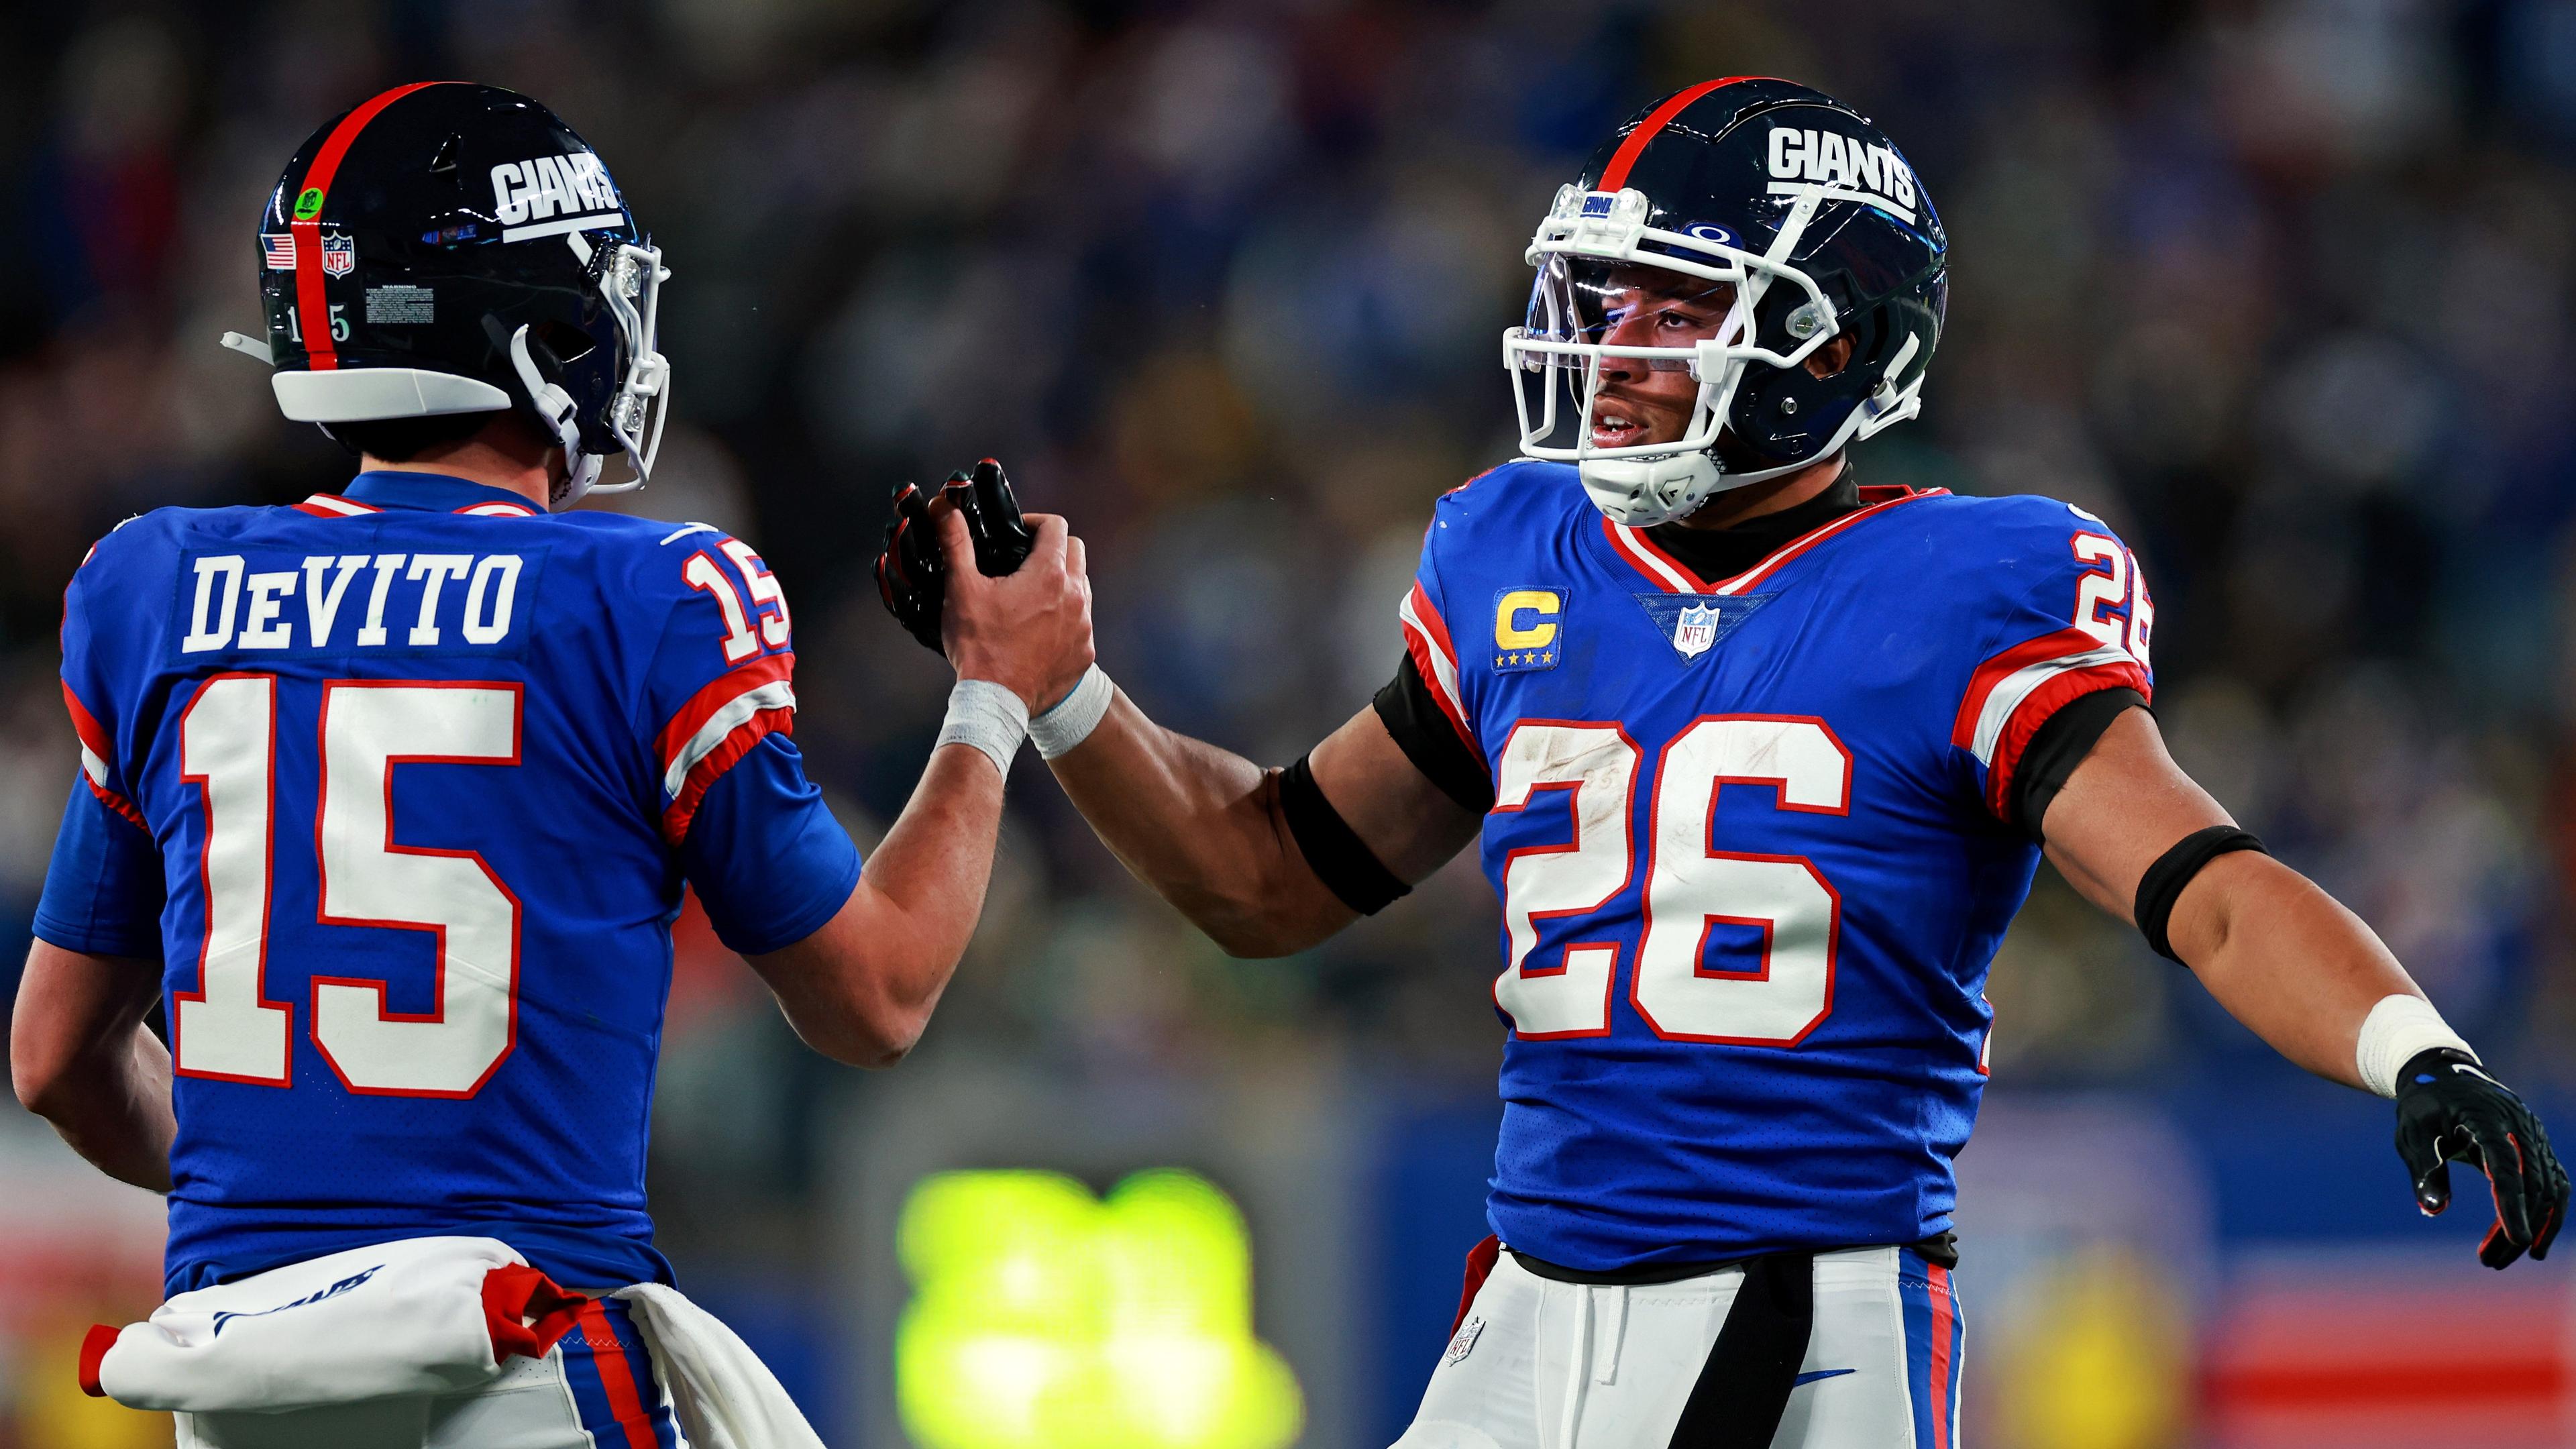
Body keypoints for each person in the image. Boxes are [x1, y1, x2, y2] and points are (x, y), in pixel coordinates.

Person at [892, 78, 2570, 1448]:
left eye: (1682, 304)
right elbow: (1267, 880)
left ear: (1828, 347)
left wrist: (2411, 1046)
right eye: (1611, 294)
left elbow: (2201, 889)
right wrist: (1063, 692)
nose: (1618, 342)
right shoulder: (1518, 546)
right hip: (1526, 1305)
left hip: (1802, 1315)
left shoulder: (1965, 585)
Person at [9, 83, 1090, 1448]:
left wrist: (326, 1240)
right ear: (533, 330)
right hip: (520, 1367)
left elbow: (54, 1058)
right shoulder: (654, 595)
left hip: (240, 1377)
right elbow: (873, 996)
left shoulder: (154, 584)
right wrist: (995, 697)